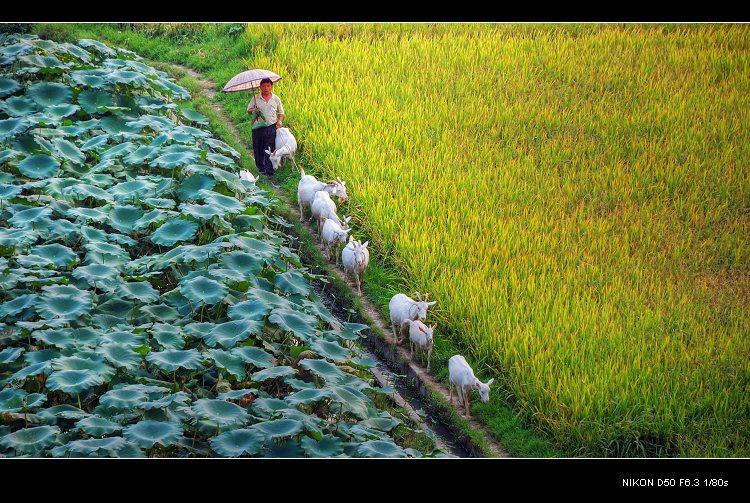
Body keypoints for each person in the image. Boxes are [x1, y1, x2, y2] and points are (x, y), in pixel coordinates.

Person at [248, 78, 284, 176]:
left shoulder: (276, 99)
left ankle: (269, 171)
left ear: (271, 87)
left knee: (270, 149)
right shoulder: (256, 98)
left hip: (271, 127)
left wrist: (280, 121)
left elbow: (281, 113)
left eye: (268, 86)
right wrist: (253, 110)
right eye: (263, 86)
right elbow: (248, 110)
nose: (266, 88)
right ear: (260, 87)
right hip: (258, 127)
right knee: (258, 147)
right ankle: (260, 167)